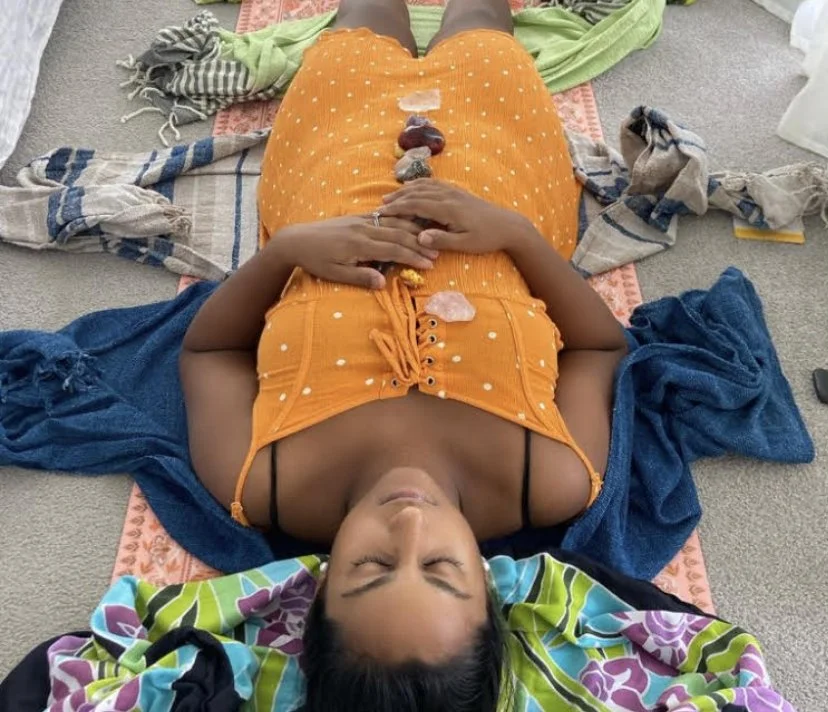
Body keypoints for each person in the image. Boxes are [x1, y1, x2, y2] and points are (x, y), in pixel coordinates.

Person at [179, 0, 627, 708]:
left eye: (375, 565)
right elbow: (602, 344)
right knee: (482, 28)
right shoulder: (551, 473)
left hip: (327, 170)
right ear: (490, 587)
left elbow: (208, 350)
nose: (409, 521)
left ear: (319, 588)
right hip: (500, 173)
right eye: (443, 567)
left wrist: (291, 250)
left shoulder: (260, 477)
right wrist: (514, 235)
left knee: (359, 23)